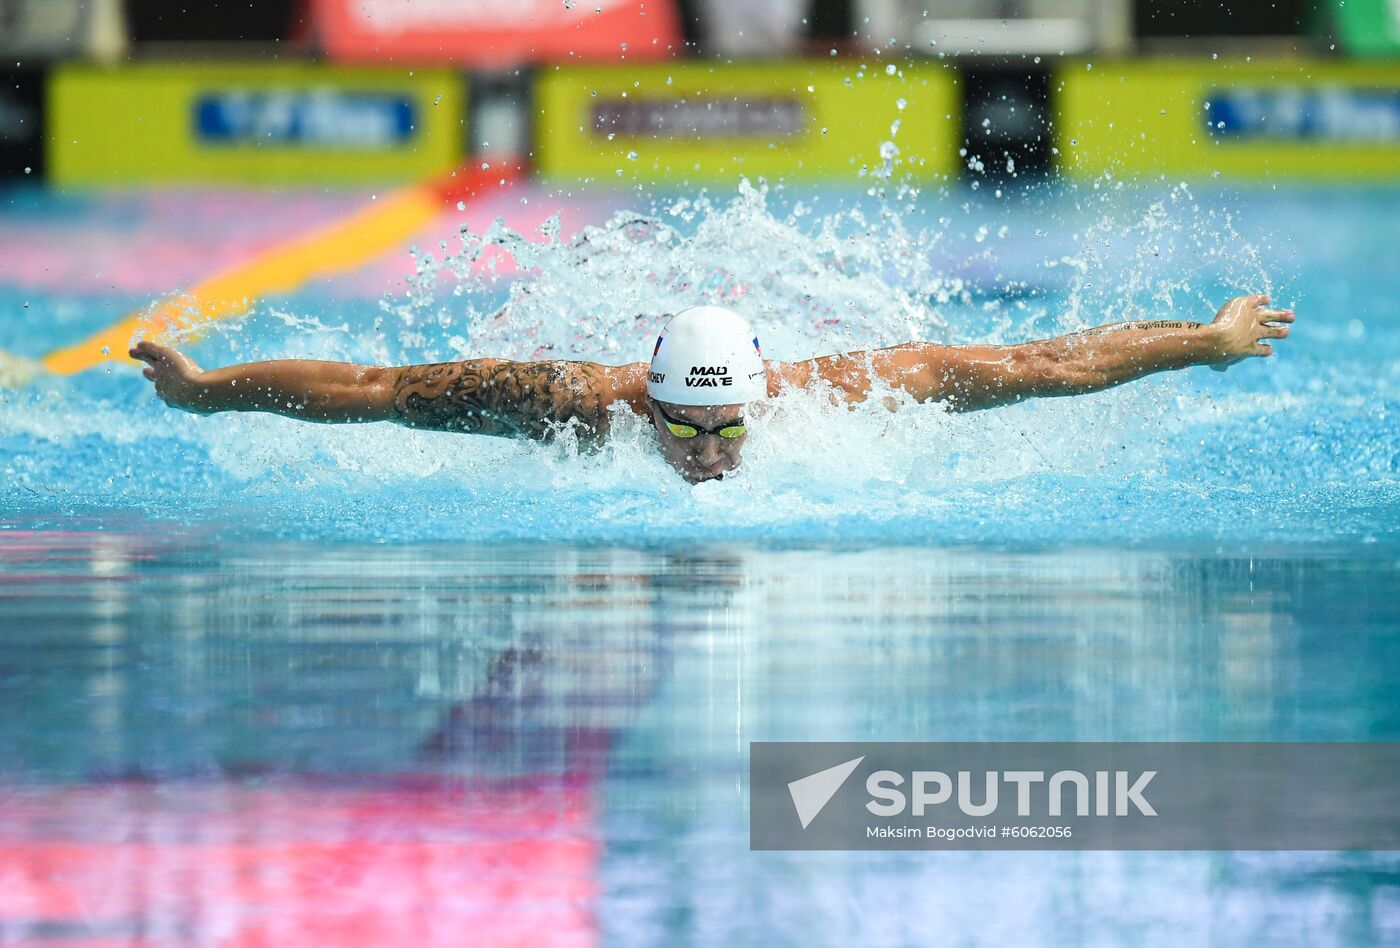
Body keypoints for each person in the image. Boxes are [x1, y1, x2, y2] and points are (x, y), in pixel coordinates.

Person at [133, 295, 1294, 484]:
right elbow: (372, 386)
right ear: (644, 400)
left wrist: (1206, 340)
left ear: (758, 400)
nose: (703, 456)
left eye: (723, 426)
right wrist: (203, 391)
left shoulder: (846, 397)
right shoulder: (579, 403)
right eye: (677, 428)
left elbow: (1047, 364)